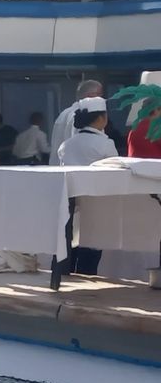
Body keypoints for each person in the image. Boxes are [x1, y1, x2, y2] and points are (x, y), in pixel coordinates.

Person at [56, 97, 118, 278]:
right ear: (100, 118)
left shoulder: (66, 145)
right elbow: (115, 174)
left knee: (69, 246)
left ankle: (64, 278)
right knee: (91, 250)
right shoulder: (106, 144)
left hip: (69, 204)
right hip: (96, 204)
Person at [52, 80, 102, 157]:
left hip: (60, 162)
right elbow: (81, 148)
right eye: (99, 95)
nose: (102, 99)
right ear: (90, 96)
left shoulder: (64, 114)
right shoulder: (83, 117)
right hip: (80, 163)